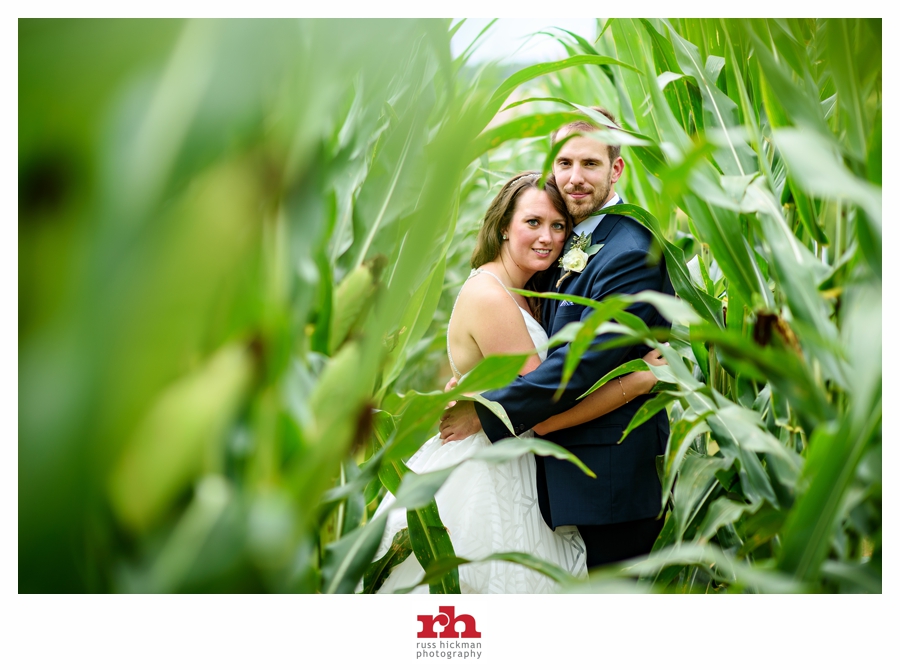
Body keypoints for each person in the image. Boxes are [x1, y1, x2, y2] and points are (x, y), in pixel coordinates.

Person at [372, 170, 664, 594]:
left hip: (517, 460)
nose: (547, 237)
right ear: (503, 227)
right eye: (533, 222)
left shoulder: (529, 288)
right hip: (488, 475)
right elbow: (544, 409)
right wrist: (635, 382)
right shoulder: (491, 296)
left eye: (558, 226)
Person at [439, 108, 675, 569]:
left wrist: (488, 411)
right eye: (564, 164)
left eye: (590, 164)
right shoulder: (572, 243)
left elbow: (578, 366)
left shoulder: (629, 251)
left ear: (617, 169)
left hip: (609, 488)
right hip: (564, 485)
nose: (575, 178)